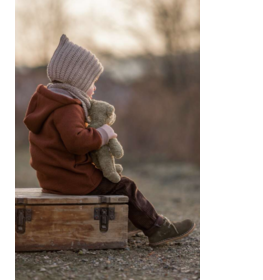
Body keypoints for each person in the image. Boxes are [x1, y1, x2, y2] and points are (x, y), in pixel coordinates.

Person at [24, 34, 195, 247]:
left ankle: (133, 220)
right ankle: (157, 228)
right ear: (78, 80)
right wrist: (103, 133)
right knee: (123, 186)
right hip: (74, 178)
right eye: (92, 82)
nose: (94, 88)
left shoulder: (46, 103)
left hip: (53, 178)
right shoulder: (67, 107)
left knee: (115, 185)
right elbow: (76, 142)